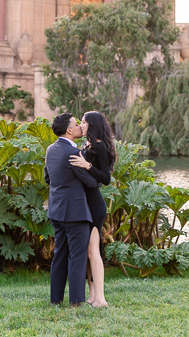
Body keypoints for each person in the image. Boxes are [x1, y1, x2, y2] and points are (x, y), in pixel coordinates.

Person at [45, 113, 99, 306]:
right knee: (78, 255)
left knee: (60, 254)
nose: (80, 127)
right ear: (69, 130)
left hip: (56, 210)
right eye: (77, 124)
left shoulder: (50, 150)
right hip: (75, 211)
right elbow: (91, 182)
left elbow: (48, 178)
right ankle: (76, 301)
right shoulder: (72, 153)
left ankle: (55, 300)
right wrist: (91, 167)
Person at [69, 111, 117, 308]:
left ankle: (101, 298)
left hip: (94, 204)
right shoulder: (87, 145)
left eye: (84, 122)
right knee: (87, 252)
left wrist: (87, 165)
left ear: (93, 124)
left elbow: (106, 178)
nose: (81, 125)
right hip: (83, 202)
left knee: (93, 251)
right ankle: (92, 295)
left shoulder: (100, 147)